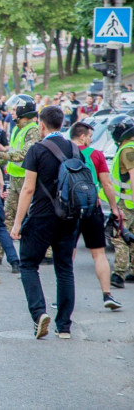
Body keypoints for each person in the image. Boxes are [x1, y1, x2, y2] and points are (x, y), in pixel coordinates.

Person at [11, 106, 82, 340]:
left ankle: (39, 313)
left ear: (42, 125)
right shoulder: (74, 149)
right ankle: (64, 327)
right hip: (69, 216)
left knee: (29, 264)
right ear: (62, 124)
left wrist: (17, 223)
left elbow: (28, 188)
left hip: (42, 217)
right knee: (64, 269)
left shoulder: (37, 150)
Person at [68, 122, 121, 309]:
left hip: (69, 210)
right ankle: (107, 295)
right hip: (92, 207)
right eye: (90, 136)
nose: (91, 140)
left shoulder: (63, 153)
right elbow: (106, 184)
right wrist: (114, 208)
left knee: (68, 254)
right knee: (98, 254)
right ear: (82, 136)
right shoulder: (96, 155)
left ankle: (63, 298)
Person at [0, 94, 47, 264]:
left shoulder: (33, 130)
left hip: (26, 180)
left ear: (23, 111)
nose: (11, 112)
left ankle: (45, 253)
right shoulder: (17, 128)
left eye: (14, 109)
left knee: (33, 217)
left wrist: (2, 155)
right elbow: (12, 151)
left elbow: (24, 154)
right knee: (7, 216)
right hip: (15, 178)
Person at [106, 117, 134, 289]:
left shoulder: (127, 150)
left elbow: (133, 176)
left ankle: (118, 273)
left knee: (118, 236)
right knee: (131, 235)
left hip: (127, 202)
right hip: (129, 201)